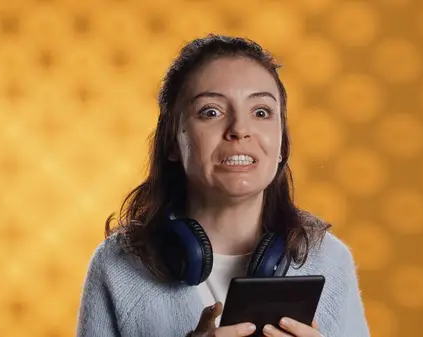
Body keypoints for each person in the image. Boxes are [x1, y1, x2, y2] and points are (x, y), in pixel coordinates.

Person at [76, 34, 370, 337]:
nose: (240, 130)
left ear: (282, 143)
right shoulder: (118, 265)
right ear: (173, 142)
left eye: (261, 112)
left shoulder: (329, 260)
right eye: (211, 112)